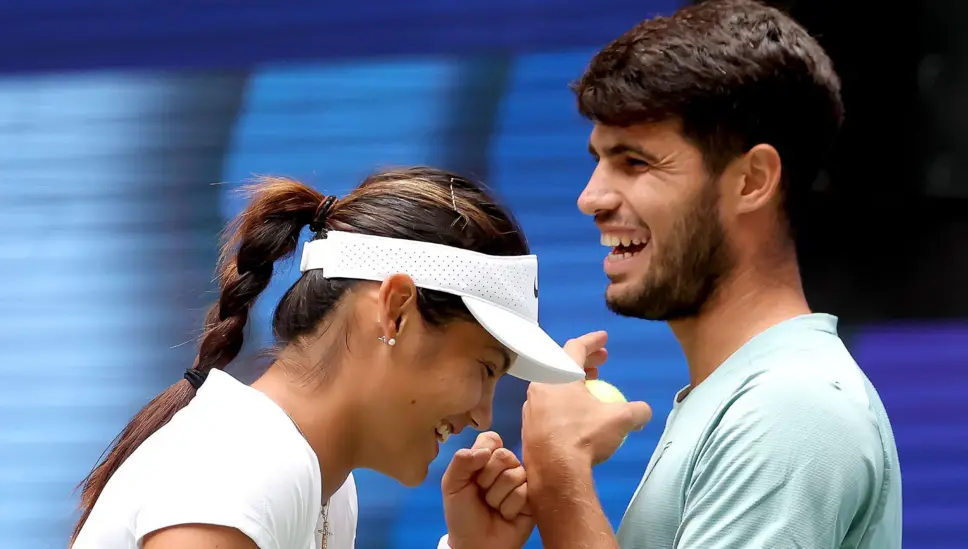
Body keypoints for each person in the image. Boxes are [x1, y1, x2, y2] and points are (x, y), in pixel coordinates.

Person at [521, 1, 903, 548]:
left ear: (751, 181)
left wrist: (559, 475)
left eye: (635, 161)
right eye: (598, 160)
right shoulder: (747, 397)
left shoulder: (788, 410)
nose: (591, 198)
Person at [69, 166, 589, 549]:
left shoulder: (321, 484)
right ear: (396, 311)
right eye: (485, 368)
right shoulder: (244, 463)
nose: (482, 414)